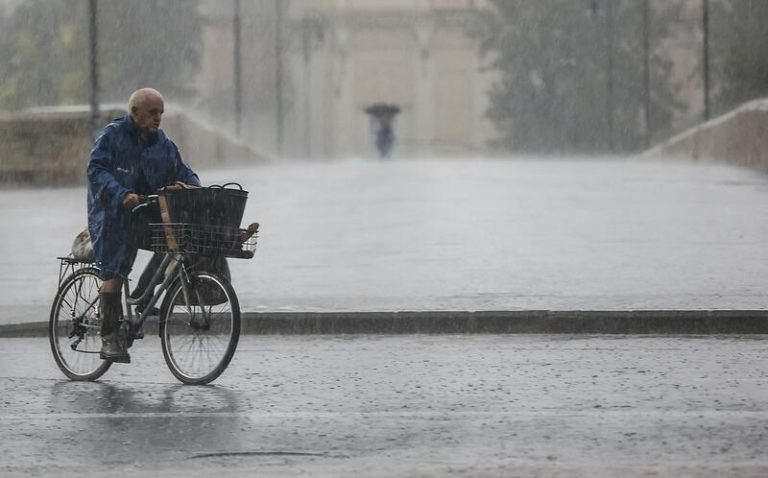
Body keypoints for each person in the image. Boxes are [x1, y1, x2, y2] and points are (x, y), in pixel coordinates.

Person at [87, 88, 200, 363]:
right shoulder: (113, 136)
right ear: (135, 112)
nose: (158, 118)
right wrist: (121, 194)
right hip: (110, 214)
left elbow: (186, 172)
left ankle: (141, 298)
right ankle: (109, 336)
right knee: (114, 269)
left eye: (161, 113)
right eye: (152, 112)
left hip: (145, 213)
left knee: (174, 243)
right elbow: (96, 170)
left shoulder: (163, 145)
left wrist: (189, 186)